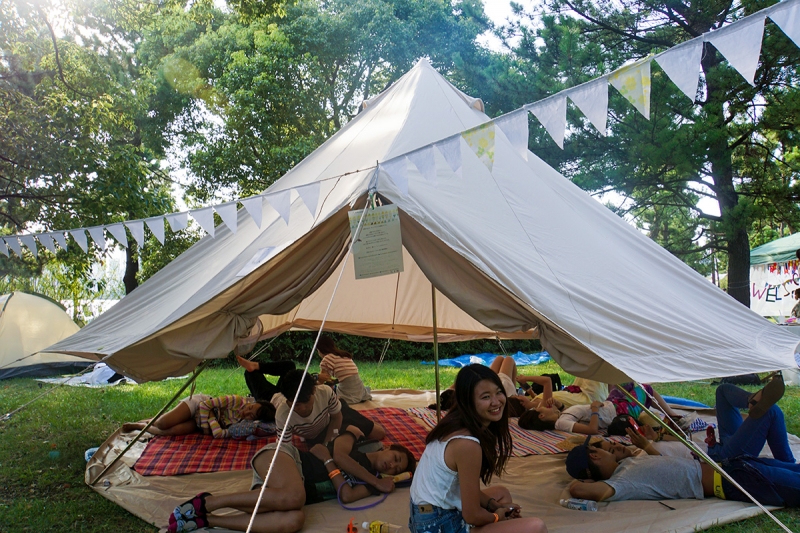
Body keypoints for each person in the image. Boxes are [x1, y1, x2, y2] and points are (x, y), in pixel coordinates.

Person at [564, 375, 799, 508]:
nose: (611, 448)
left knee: (794, 469)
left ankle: (752, 401)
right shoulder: (623, 481)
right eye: (599, 449)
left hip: (733, 465)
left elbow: (664, 466)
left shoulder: (631, 466)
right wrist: (580, 479)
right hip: (733, 479)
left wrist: (648, 445)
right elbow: (580, 489)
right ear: (593, 456)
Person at [166, 427, 416, 533]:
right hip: (283, 458)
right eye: (395, 457)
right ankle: (207, 502)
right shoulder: (352, 441)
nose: (392, 465)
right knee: (296, 497)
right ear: (387, 447)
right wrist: (331, 461)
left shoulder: (373, 484)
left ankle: (208, 520)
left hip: (280, 493)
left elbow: (347, 496)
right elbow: (339, 455)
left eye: (397, 468)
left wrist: (378, 484)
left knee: (295, 518)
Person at [409, 363, 548, 533]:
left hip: (425, 515)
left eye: (498, 392)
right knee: (536, 527)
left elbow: (459, 487)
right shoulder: (467, 444)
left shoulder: (455, 424)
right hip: (436, 524)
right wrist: (497, 516)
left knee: (501, 494)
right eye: (485, 397)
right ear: (468, 402)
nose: (496, 402)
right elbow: (472, 515)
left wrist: (492, 505)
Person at [518, 383, 690, 435]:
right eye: (544, 409)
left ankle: (671, 414)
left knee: (617, 381)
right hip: (620, 411)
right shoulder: (562, 423)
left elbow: (578, 414)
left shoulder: (562, 416)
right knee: (646, 389)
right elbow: (591, 429)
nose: (547, 407)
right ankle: (672, 415)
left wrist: (560, 406)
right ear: (541, 415)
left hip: (610, 404)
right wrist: (594, 409)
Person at [273, 369, 385, 445]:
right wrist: (327, 444)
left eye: (306, 402)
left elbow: (337, 417)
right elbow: (284, 447)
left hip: (335, 418)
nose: (302, 408)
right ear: (287, 399)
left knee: (378, 433)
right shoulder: (283, 415)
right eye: (296, 405)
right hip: (317, 434)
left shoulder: (325, 392)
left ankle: (355, 415)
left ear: (314, 390)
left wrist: (328, 443)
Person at [122, 393, 274, 438]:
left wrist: (209, 421)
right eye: (251, 407)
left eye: (251, 415)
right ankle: (150, 421)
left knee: (171, 432)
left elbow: (220, 433)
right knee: (163, 423)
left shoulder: (239, 422)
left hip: (201, 422)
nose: (246, 411)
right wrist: (208, 428)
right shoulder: (237, 400)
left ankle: (141, 426)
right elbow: (205, 405)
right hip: (199, 404)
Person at [317, 335, 372, 404]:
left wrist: (314, 386)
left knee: (325, 392)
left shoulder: (327, 358)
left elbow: (322, 380)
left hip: (347, 393)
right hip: (359, 389)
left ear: (319, 350)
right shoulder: (343, 355)